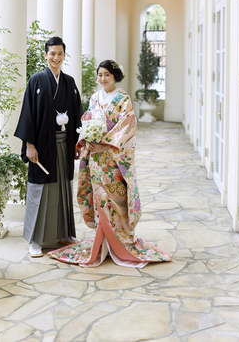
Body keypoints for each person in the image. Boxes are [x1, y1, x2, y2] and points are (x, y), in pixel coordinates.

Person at [48, 60, 171, 267]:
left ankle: (119, 242)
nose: (103, 79)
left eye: (107, 75)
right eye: (100, 75)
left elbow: (127, 127)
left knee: (116, 197)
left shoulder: (123, 98)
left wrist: (106, 145)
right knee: (100, 198)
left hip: (113, 158)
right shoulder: (95, 97)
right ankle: (102, 243)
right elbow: (86, 120)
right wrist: (87, 138)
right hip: (95, 157)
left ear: (115, 76)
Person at [14, 36, 83, 257]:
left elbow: (76, 114)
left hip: (64, 145)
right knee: (40, 190)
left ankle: (64, 234)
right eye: (52, 53)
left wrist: (76, 142)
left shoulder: (69, 82)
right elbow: (28, 114)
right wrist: (29, 145)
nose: (56, 57)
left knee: (63, 188)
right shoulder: (36, 81)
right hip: (43, 146)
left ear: (64, 55)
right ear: (46, 55)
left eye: (60, 53)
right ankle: (35, 240)